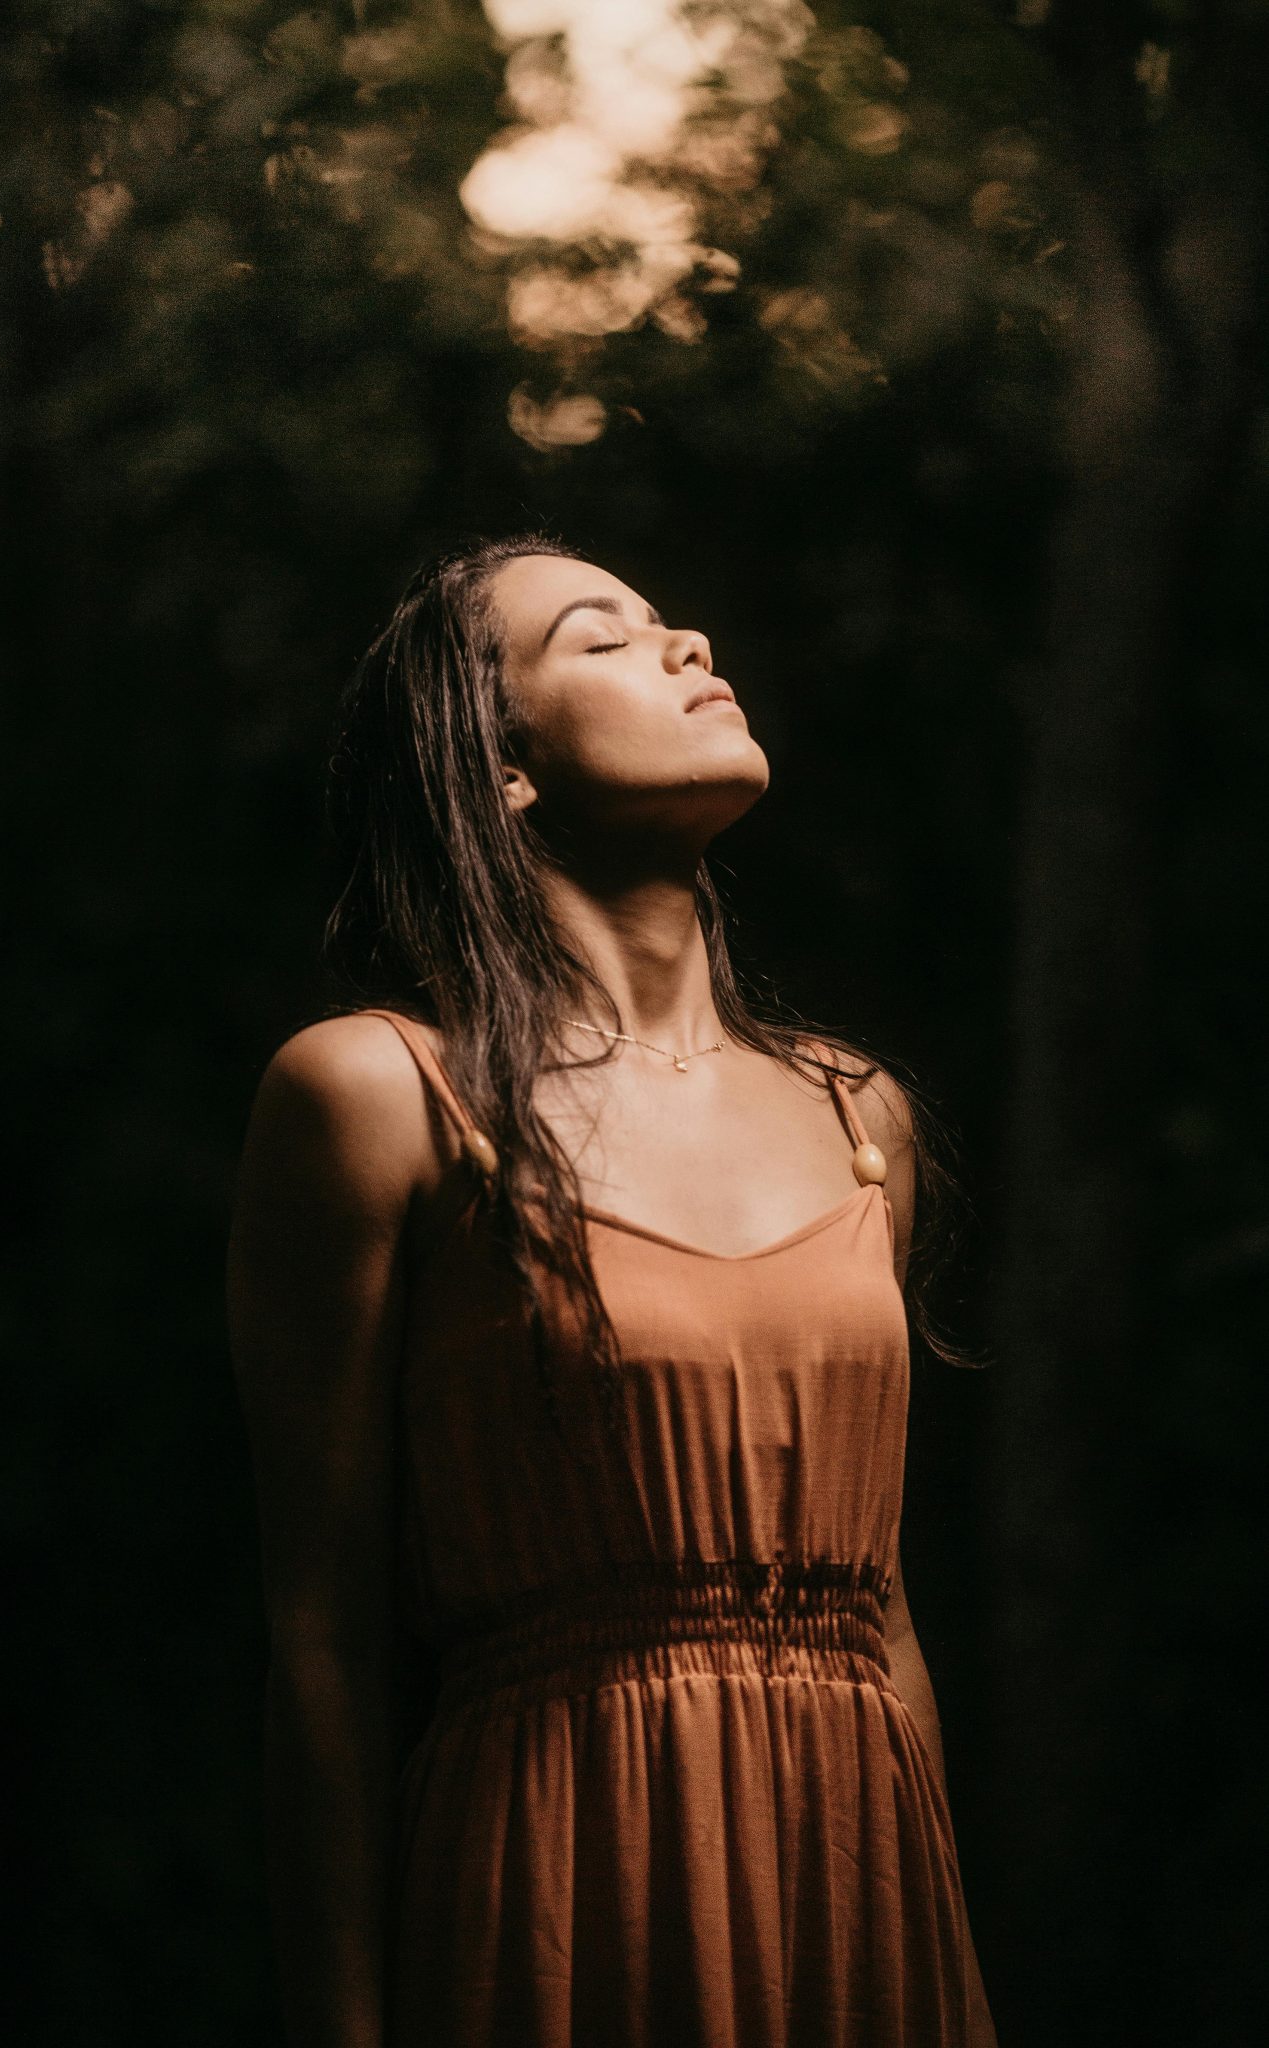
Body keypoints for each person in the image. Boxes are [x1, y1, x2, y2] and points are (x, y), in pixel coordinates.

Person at [226, 533, 998, 2047]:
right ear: (498, 766)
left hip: (856, 1887)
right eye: (603, 636)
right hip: (560, 1882)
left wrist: (954, 1987)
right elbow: (324, 1637)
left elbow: (885, 1610)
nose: (687, 642)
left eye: (670, 623)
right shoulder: (375, 1095)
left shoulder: (858, 1116)